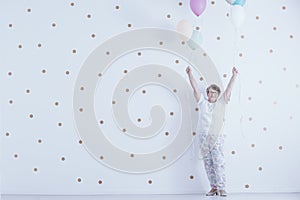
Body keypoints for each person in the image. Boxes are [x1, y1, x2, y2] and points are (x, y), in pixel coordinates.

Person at [186, 66, 238, 197]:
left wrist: (234, 76)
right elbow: (195, 88)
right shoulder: (202, 103)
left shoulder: (221, 103)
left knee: (218, 162)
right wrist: (189, 74)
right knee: (208, 163)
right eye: (209, 92)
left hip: (217, 137)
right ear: (207, 93)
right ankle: (213, 187)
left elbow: (229, 89)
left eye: (214, 92)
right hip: (203, 137)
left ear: (218, 94)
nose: (211, 94)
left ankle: (222, 187)